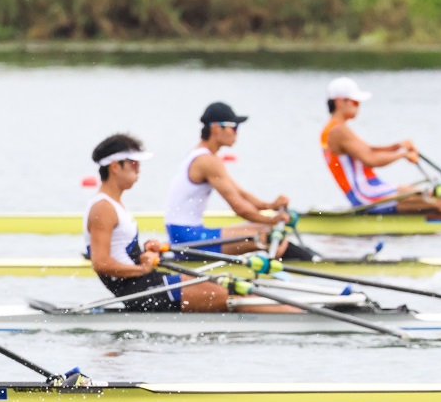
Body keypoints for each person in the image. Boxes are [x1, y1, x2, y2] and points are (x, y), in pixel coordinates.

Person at [85, 134, 295, 314]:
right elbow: (101, 263)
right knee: (234, 293)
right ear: (115, 167)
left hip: (148, 284)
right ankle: (299, 318)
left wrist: (145, 252)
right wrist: (142, 268)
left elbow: (119, 253)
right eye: (133, 163)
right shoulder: (103, 208)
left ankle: (295, 313)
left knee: (233, 288)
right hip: (142, 292)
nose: (138, 169)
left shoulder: (112, 204)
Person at [164, 102, 312, 259]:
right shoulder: (207, 161)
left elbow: (241, 194)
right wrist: (271, 221)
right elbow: (239, 208)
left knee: (264, 229)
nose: (236, 133)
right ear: (216, 128)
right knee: (266, 235)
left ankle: (306, 259)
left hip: (184, 233)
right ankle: (310, 262)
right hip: (187, 239)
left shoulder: (203, 155)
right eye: (234, 127)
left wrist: (271, 206)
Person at [322, 76, 441, 217]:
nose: (358, 106)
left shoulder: (333, 129)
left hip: (375, 187)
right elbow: (371, 160)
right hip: (367, 194)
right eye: (355, 102)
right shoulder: (338, 131)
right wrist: (402, 154)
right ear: (339, 102)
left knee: (432, 200)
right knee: (436, 200)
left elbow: (367, 150)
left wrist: (397, 146)